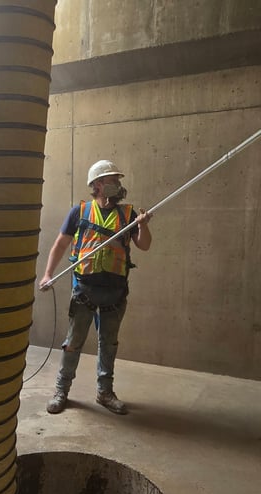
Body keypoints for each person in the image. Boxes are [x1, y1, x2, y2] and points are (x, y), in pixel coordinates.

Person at [39, 160, 153, 415]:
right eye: (113, 180)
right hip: (85, 290)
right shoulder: (79, 213)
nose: (118, 185)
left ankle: (105, 392)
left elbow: (144, 245)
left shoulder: (129, 214)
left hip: (115, 291)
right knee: (73, 342)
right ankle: (61, 390)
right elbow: (60, 244)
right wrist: (47, 274)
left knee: (109, 344)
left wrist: (143, 225)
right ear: (98, 185)